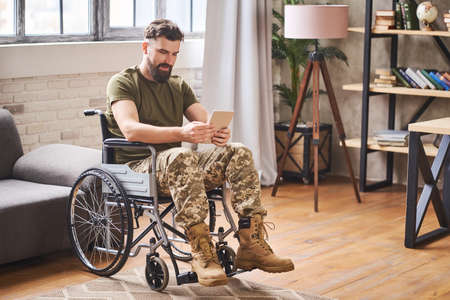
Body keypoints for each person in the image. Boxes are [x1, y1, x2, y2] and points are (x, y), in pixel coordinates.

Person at [105, 19, 294, 287]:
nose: (168, 61)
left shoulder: (178, 85)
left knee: (237, 151)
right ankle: (201, 252)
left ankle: (251, 243)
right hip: (137, 167)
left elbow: (204, 122)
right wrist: (181, 134)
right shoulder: (123, 82)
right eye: (162, 52)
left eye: (174, 54)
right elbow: (130, 130)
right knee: (181, 155)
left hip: (177, 168)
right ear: (146, 47)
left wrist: (218, 133)